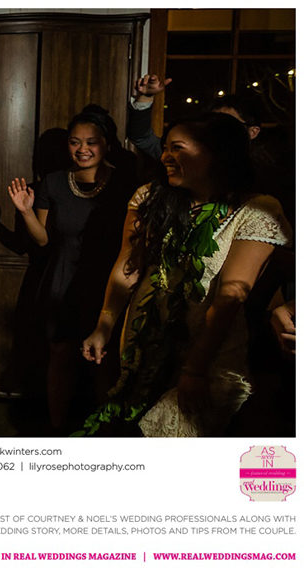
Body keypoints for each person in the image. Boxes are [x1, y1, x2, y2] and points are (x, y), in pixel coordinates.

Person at [82, 112, 292, 437]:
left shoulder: (256, 210)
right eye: (165, 147)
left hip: (211, 352)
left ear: (216, 153)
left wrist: (195, 368)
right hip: (146, 340)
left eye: (177, 148)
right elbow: (129, 265)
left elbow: (230, 296)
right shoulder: (151, 197)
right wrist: (104, 324)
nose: (165, 156)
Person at [8, 109, 136, 434]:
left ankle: (106, 434)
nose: (83, 149)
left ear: (106, 144)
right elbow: (43, 240)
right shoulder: (53, 182)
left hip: (108, 282)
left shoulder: (124, 183)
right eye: (75, 142)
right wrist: (26, 212)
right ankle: (59, 431)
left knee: (106, 361)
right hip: (62, 281)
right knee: (61, 356)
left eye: (91, 142)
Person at [128, 74, 262, 162]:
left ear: (252, 132)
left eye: (228, 125)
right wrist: (145, 96)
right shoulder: (190, 157)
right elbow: (142, 138)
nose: (219, 130)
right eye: (214, 122)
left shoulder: (263, 173)